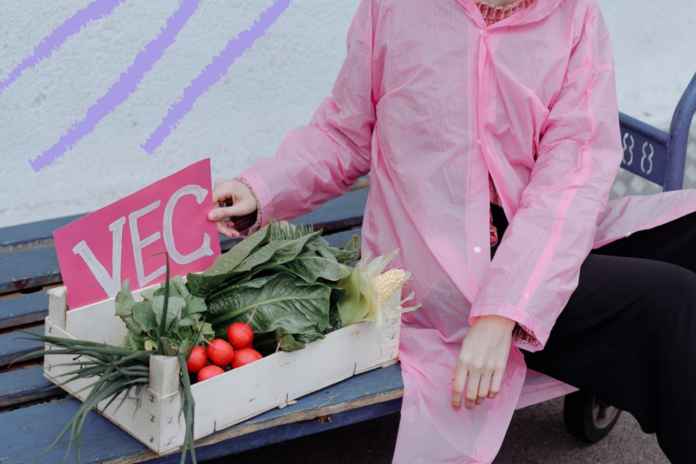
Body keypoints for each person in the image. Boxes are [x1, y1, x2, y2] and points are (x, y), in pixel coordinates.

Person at [207, 0, 696, 462]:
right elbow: (345, 133)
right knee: (672, 303)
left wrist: (504, 309)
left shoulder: (572, 14)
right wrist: (262, 190)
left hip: (532, 235)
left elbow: (573, 173)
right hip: (437, 271)